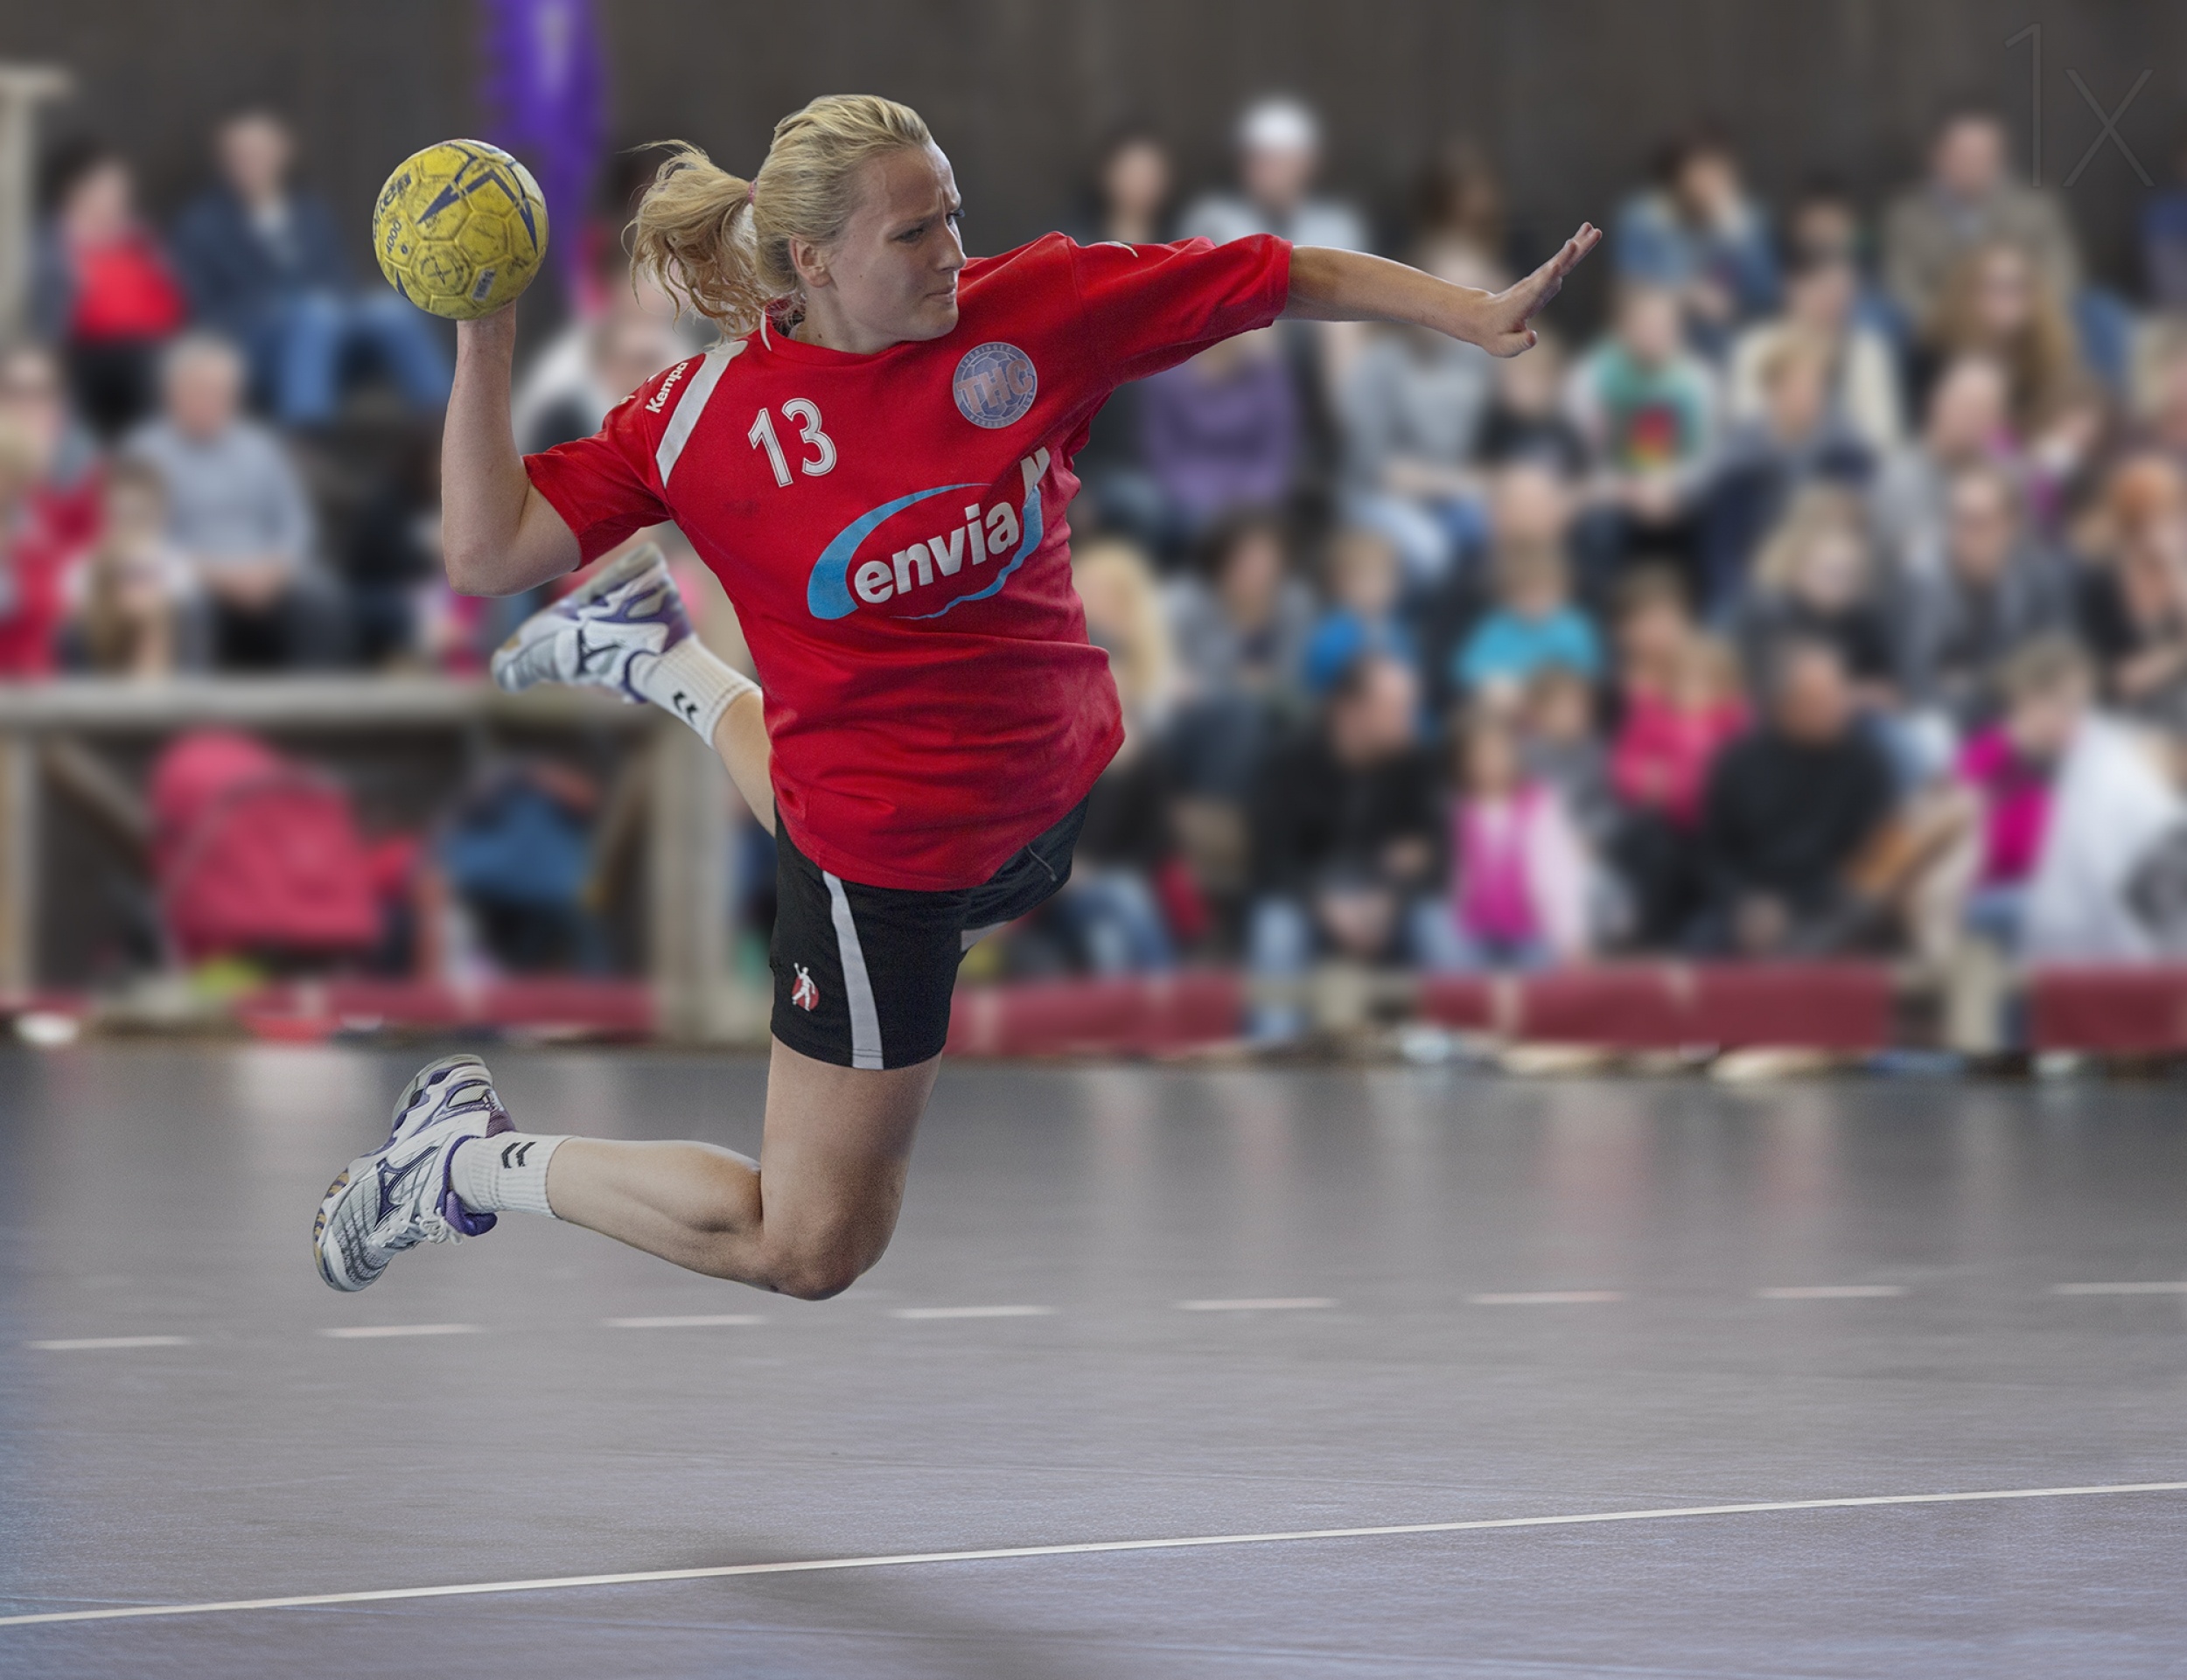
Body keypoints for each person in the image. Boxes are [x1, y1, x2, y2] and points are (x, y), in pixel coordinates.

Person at [310, 93, 1601, 1298]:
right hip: (889, 868)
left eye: (953, 214)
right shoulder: (702, 422)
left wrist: (1468, 313)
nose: (951, 252)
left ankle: (655, 655)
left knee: (805, 797)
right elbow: (486, 550)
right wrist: (486, 329)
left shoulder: (1034, 312)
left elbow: (1278, 273)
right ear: (813, 262)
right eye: (913, 232)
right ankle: (465, 1161)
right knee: (807, 1242)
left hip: (1045, 797)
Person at [171, 110, 451, 424]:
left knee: (389, 309)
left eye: (260, 152)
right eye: (240, 155)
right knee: (315, 313)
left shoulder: (311, 214)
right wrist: (278, 309)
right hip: (255, 345)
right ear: (224, 162)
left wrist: (337, 305)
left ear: (284, 153)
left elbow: (341, 280)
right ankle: (306, 434)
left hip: (335, 330)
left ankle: (442, 420)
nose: (251, 162)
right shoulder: (202, 224)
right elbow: (204, 311)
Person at [1245, 652, 1442, 1039]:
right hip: (1308, 905)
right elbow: (1270, 862)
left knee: (1440, 924)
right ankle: (1271, 1055)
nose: (1410, 720)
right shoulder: (1288, 763)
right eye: (1398, 709)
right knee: (1276, 927)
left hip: (1390, 908)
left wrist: (1392, 899)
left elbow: (1438, 859)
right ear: (1351, 711)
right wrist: (1326, 904)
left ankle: (1465, 1053)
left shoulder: (1415, 767)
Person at [122, 332, 345, 669]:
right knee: (186, 605)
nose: (212, 400)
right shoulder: (145, 452)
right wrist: (217, 575)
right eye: (201, 390)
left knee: (322, 598)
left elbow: (296, 523)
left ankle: (321, 701)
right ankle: (189, 702)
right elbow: (141, 538)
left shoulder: (261, 446)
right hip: (190, 575)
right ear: (173, 393)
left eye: (221, 391)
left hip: (267, 574)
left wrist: (275, 569)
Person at [1695, 638, 1898, 955]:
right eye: (1818, 701)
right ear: (1783, 707)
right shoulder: (1738, 763)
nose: (1836, 708)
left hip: (1831, 906)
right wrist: (1744, 903)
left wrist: (1812, 901)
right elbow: (1713, 855)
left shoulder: (1866, 763)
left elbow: (1873, 852)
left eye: (1838, 694)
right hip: (1750, 905)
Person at [33, 143, 189, 437]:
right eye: (107, 186)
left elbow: (177, 291)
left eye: (121, 187)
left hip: (156, 343)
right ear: (74, 190)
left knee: (165, 365)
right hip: (83, 348)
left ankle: (150, 453)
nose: (119, 195)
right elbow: (46, 309)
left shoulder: (143, 235)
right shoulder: (51, 240)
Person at [1881, 110, 2080, 336]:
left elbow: (2061, 274)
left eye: (1985, 155)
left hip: (2027, 331)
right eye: (1963, 154)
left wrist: (2020, 319)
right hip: (1939, 335)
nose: (1974, 164)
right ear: (1936, 156)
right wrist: (1956, 328)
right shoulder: (1906, 216)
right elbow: (1902, 287)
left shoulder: (2037, 207)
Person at [1898, 463, 2067, 724]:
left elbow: (2055, 662)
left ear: (2011, 526)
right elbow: (1919, 683)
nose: (1963, 534)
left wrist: (1978, 681)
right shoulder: (1922, 580)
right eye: (1956, 519)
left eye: (1979, 522)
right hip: (1948, 721)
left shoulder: (2037, 577)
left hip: (2028, 717)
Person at [1424, 706, 1590, 971]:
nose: (1490, 762)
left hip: (1529, 932)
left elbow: (1558, 872)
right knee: (1432, 925)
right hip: (1473, 932)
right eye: (1479, 755)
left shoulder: (1539, 805)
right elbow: (1455, 878)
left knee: (1538, 970)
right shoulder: (1456, 810)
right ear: (1461, 762)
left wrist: (1570, 936)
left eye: (1498, 752)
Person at [1611, 125, 1778, 353]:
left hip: (1729, 347)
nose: (1709, 181)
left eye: (1719, 170)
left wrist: (1741, 239)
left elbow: (1766, 299)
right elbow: (1628, 291)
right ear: (1678, 174)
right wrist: (1686, 293)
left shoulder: (1746, 221)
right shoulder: (1645, 218)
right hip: (1658, 346)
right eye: (1700, 170)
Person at [59, 456, 208, 676]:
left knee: (187, 614)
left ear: (160, 513)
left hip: (167, 667)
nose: (131, 523)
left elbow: (186, 631)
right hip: (100, 662)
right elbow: (73, 626)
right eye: (121, 513)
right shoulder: (83, 564)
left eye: (140, 513)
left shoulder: (176, 564)